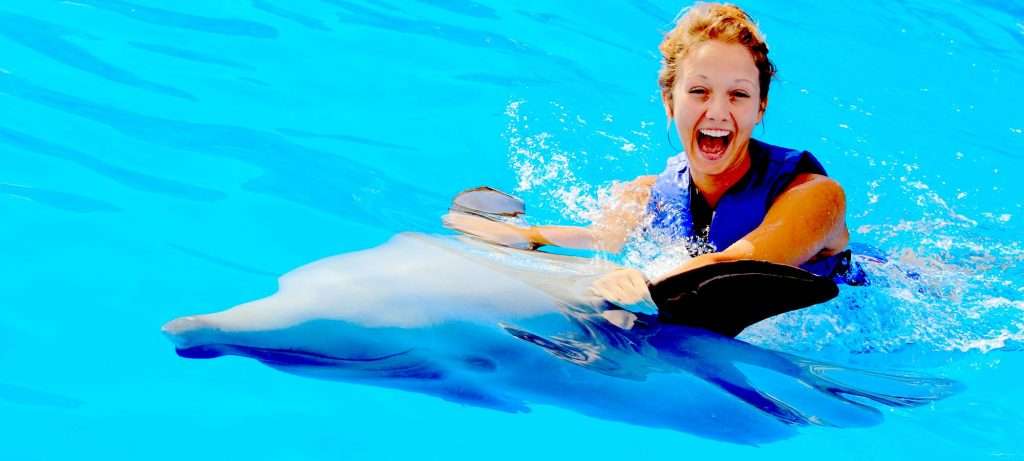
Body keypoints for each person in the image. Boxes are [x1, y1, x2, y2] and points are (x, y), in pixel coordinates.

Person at [444, 3, 850, 313]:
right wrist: (520, 237)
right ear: (668, 102)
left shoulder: (816, 197)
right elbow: (601, 239)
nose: (717, 112)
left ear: (760, 108)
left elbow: (737, 264)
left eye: (739, 95)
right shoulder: (651, 193)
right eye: (699, 91)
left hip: (858, 311)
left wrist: (647, 280)